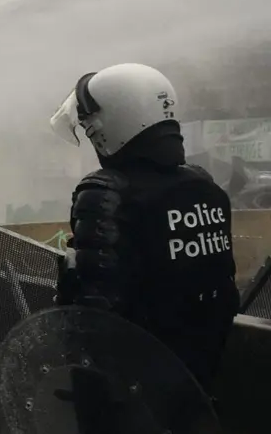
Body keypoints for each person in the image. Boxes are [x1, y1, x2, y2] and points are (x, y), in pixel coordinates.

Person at [50, 63, 239, 391]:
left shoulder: (105, 192)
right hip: (202, 370)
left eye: (91, 127)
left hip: (134, 384)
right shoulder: (204, 185)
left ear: (111, 126)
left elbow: (97, 311)